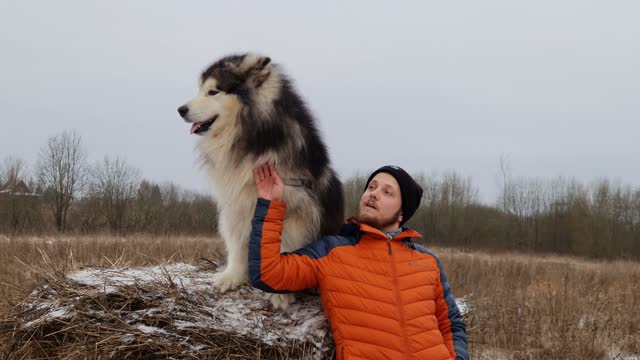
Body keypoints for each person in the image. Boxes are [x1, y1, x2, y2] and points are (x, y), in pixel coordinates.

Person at [249, 163, 468, 360]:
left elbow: (451, 325)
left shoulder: (427, 261)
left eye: (387, 192)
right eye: (371, 187)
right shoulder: (333, 251)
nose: (373, 194)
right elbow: (268, 273)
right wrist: (270, 204)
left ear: (401, 213)